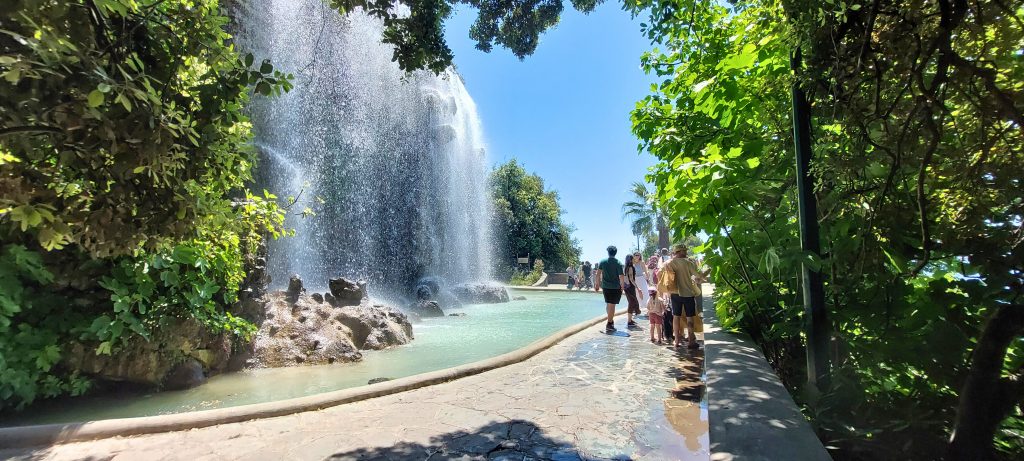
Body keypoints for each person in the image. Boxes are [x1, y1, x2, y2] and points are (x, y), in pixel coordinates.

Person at [665, 244, 701, 348]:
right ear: (680, 252)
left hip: (675, 293)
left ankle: (676, 341)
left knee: (676, 317)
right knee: (690, 317)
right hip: (688, 294)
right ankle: (691, 341)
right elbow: (698, 275)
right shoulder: (689, 263)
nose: (686, 252)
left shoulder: (669, 263)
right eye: (684, 251)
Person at [594, 245, 626, 332]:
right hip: (615, 287)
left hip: (605, 287)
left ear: (608, 252)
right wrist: (622, 286)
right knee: (612, 305)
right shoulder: (618, 262)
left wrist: (597, 284)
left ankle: (610, 320)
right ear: (615, 253)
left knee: (609, 304)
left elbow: (598, 274)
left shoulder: (603, 262)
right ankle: (609, 323)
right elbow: (621, 276)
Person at [623, 254, 641, 326]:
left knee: (631, 302)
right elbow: (631, 279)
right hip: (630, 287)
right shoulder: (630, 267)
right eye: (633, 259)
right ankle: (629, 321)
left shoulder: (626, 267)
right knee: (631, 303)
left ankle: (630, 320)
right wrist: (637, 287)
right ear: (630, 260)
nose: (634, 259)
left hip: (627, 287)